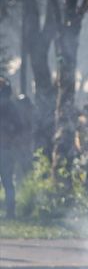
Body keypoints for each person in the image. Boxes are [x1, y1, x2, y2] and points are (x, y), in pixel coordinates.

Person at [0, 78, 32, 218]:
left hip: (5, 148)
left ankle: (11, 212)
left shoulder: (10, 107)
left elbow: (18, 128)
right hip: (7, 148)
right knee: (8, 182)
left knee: (8, 182)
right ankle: (10, 212)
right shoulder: (12, 107)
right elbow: (19, 128)